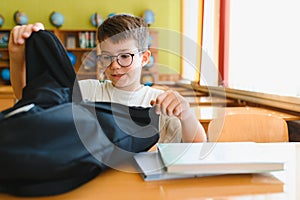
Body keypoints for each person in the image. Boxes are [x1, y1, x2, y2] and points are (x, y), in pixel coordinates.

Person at [8, 14, 207, 143]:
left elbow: (199, 146)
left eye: (124, 56)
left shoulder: (160, 102)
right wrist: (17, 55)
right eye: (106, 57)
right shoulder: (88, 91)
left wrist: (186, 115)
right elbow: (30, 98)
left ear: (144, 58)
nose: (114, 65)